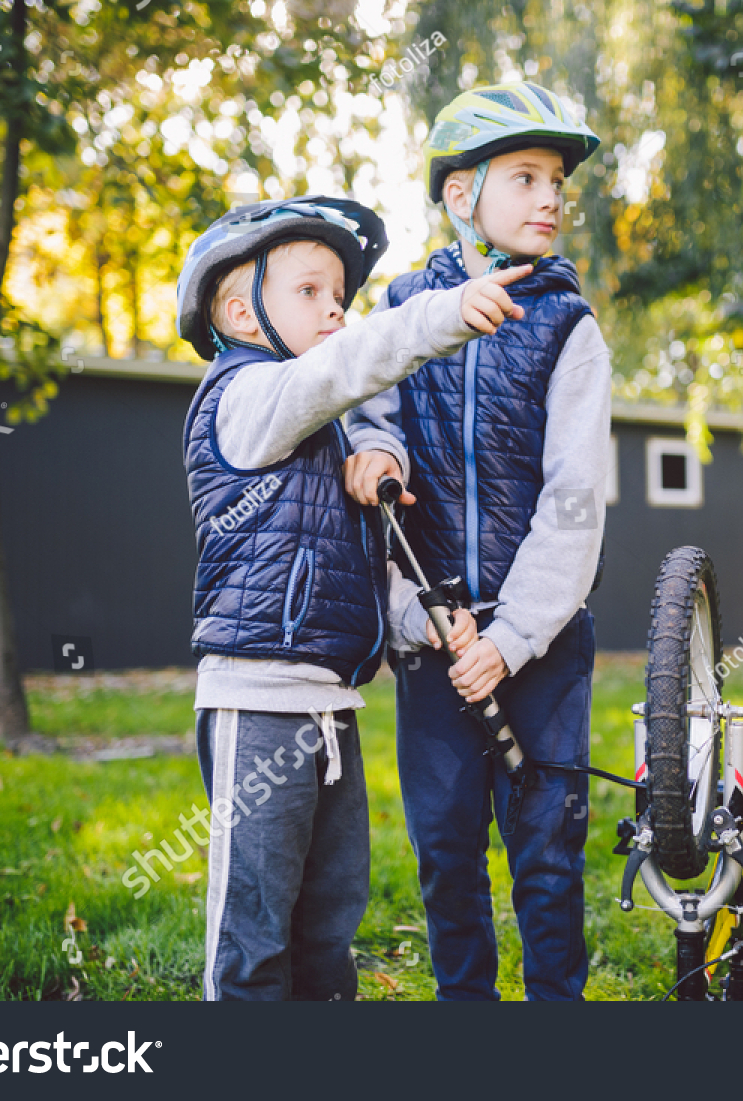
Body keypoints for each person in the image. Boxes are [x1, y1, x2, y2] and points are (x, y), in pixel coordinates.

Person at [177, 194, 531, 1000]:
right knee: (254, 929)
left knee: (330, 925)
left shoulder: (328, 432)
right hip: (258, 703)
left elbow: (365, 573)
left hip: (331, 708)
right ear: (238, 312)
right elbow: (342, 368)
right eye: (309, 292)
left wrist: (423, 620)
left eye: (340, 296)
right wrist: (438, 315)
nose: (334, 309)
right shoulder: (245, 400)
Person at [345, 82, 612, 1001]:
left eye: (557, 182)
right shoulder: (404, 312)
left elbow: (574, 504)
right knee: (446, 857)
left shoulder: (567, 328)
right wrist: (417, 617)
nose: (551, 198)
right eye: (527, 177)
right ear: (463, 197)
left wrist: (508, 640)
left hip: (537, 644)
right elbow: (368, 438)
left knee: (546, 858)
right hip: (434, 647)